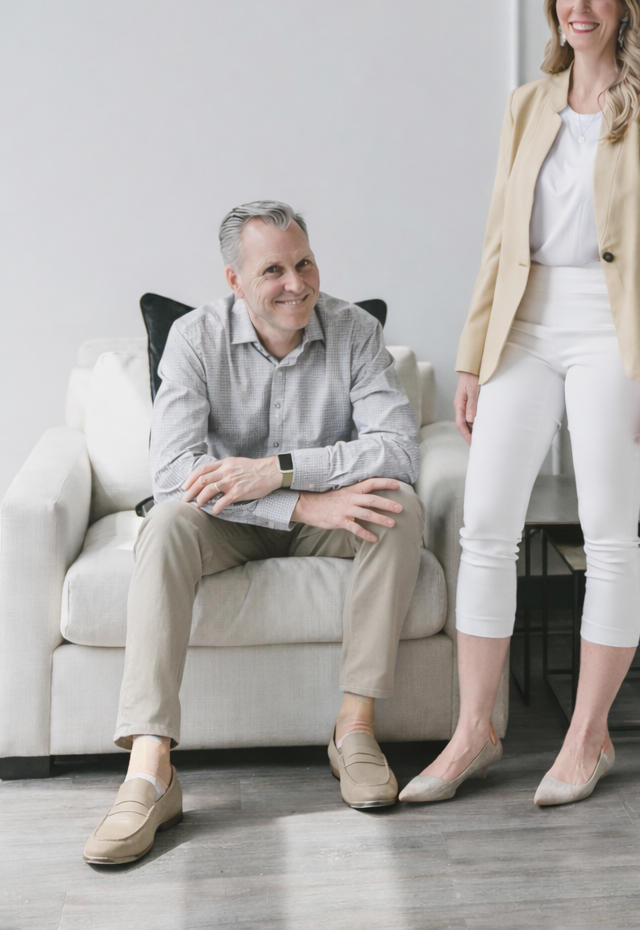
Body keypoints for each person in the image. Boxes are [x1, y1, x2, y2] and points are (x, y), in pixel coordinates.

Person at [401, 0, 640, 807]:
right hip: (523, 329)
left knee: (609, 533)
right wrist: (471, 356)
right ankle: (475, 732)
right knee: (485, 527)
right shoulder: (527, 105)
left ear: (625, 8)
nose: (579, 7)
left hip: (615, 332)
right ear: (555, 7)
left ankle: (587, 737)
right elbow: (500, 240)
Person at [83, 201, 424, 865]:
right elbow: (176, 475)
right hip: (229, 522)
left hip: (323, 506)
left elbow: (399, 450)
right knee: (166, 524)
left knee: (398, 505)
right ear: (235, 281)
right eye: (273, 269)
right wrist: (296, 508)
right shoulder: (193, 338)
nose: (296, 283)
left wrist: (284, 473)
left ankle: (354, 730)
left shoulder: (353, 331)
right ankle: (150, 771)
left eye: (304, 264)